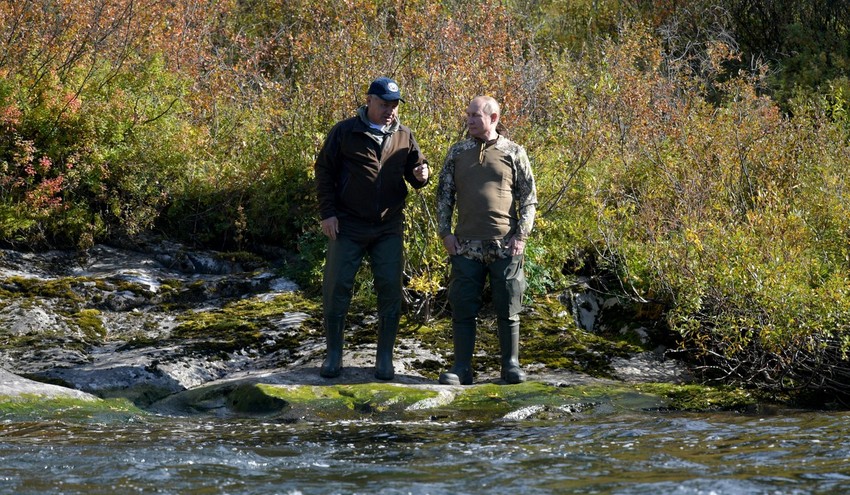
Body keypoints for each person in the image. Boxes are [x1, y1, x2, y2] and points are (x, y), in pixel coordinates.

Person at [314, 76, 430, 380]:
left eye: (394, 105)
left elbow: (417, 174)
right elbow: (324, 171)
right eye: (384, 104)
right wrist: (328, 214)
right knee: (337, 288)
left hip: (388, 226)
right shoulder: (344, 131)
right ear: (369, 101)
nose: (389, 110)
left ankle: (384, 359)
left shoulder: (405, 135)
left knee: (390, 290)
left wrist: (422, 173)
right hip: (348, 223)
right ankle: (334, 356)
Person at [436, 95, 537, 385]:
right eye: (467, 114)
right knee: (463, 306)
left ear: (493, 118)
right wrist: (446, 234)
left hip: (505, 244)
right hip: (465, 245)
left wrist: (522, 236)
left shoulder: (514, 151)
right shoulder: (457, 152)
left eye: (475, 115)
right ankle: (462, 368)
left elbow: (528, 199)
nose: (468, 119)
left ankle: (511, 366)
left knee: (509, 306)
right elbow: (444, 196)